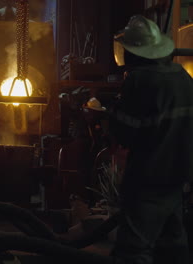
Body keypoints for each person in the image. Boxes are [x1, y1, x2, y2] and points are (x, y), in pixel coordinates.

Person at [108, 15, 193, 264]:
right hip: (179, 178)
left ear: (135, 53)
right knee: (172, 246)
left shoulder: (140, 80)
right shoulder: (182, 76)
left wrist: (109, 111)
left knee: (133, 250)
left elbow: (127, 132)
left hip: (149, 177)